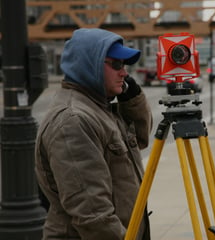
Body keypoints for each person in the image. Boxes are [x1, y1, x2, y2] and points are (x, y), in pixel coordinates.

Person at [35, 28, 153, 240]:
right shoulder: (73, 121)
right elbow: (92, 214)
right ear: (90, 65)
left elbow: (141, 138)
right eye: (116, 64)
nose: (124, 72)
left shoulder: (101, 107)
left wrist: (132, 97)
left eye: (124, 65)